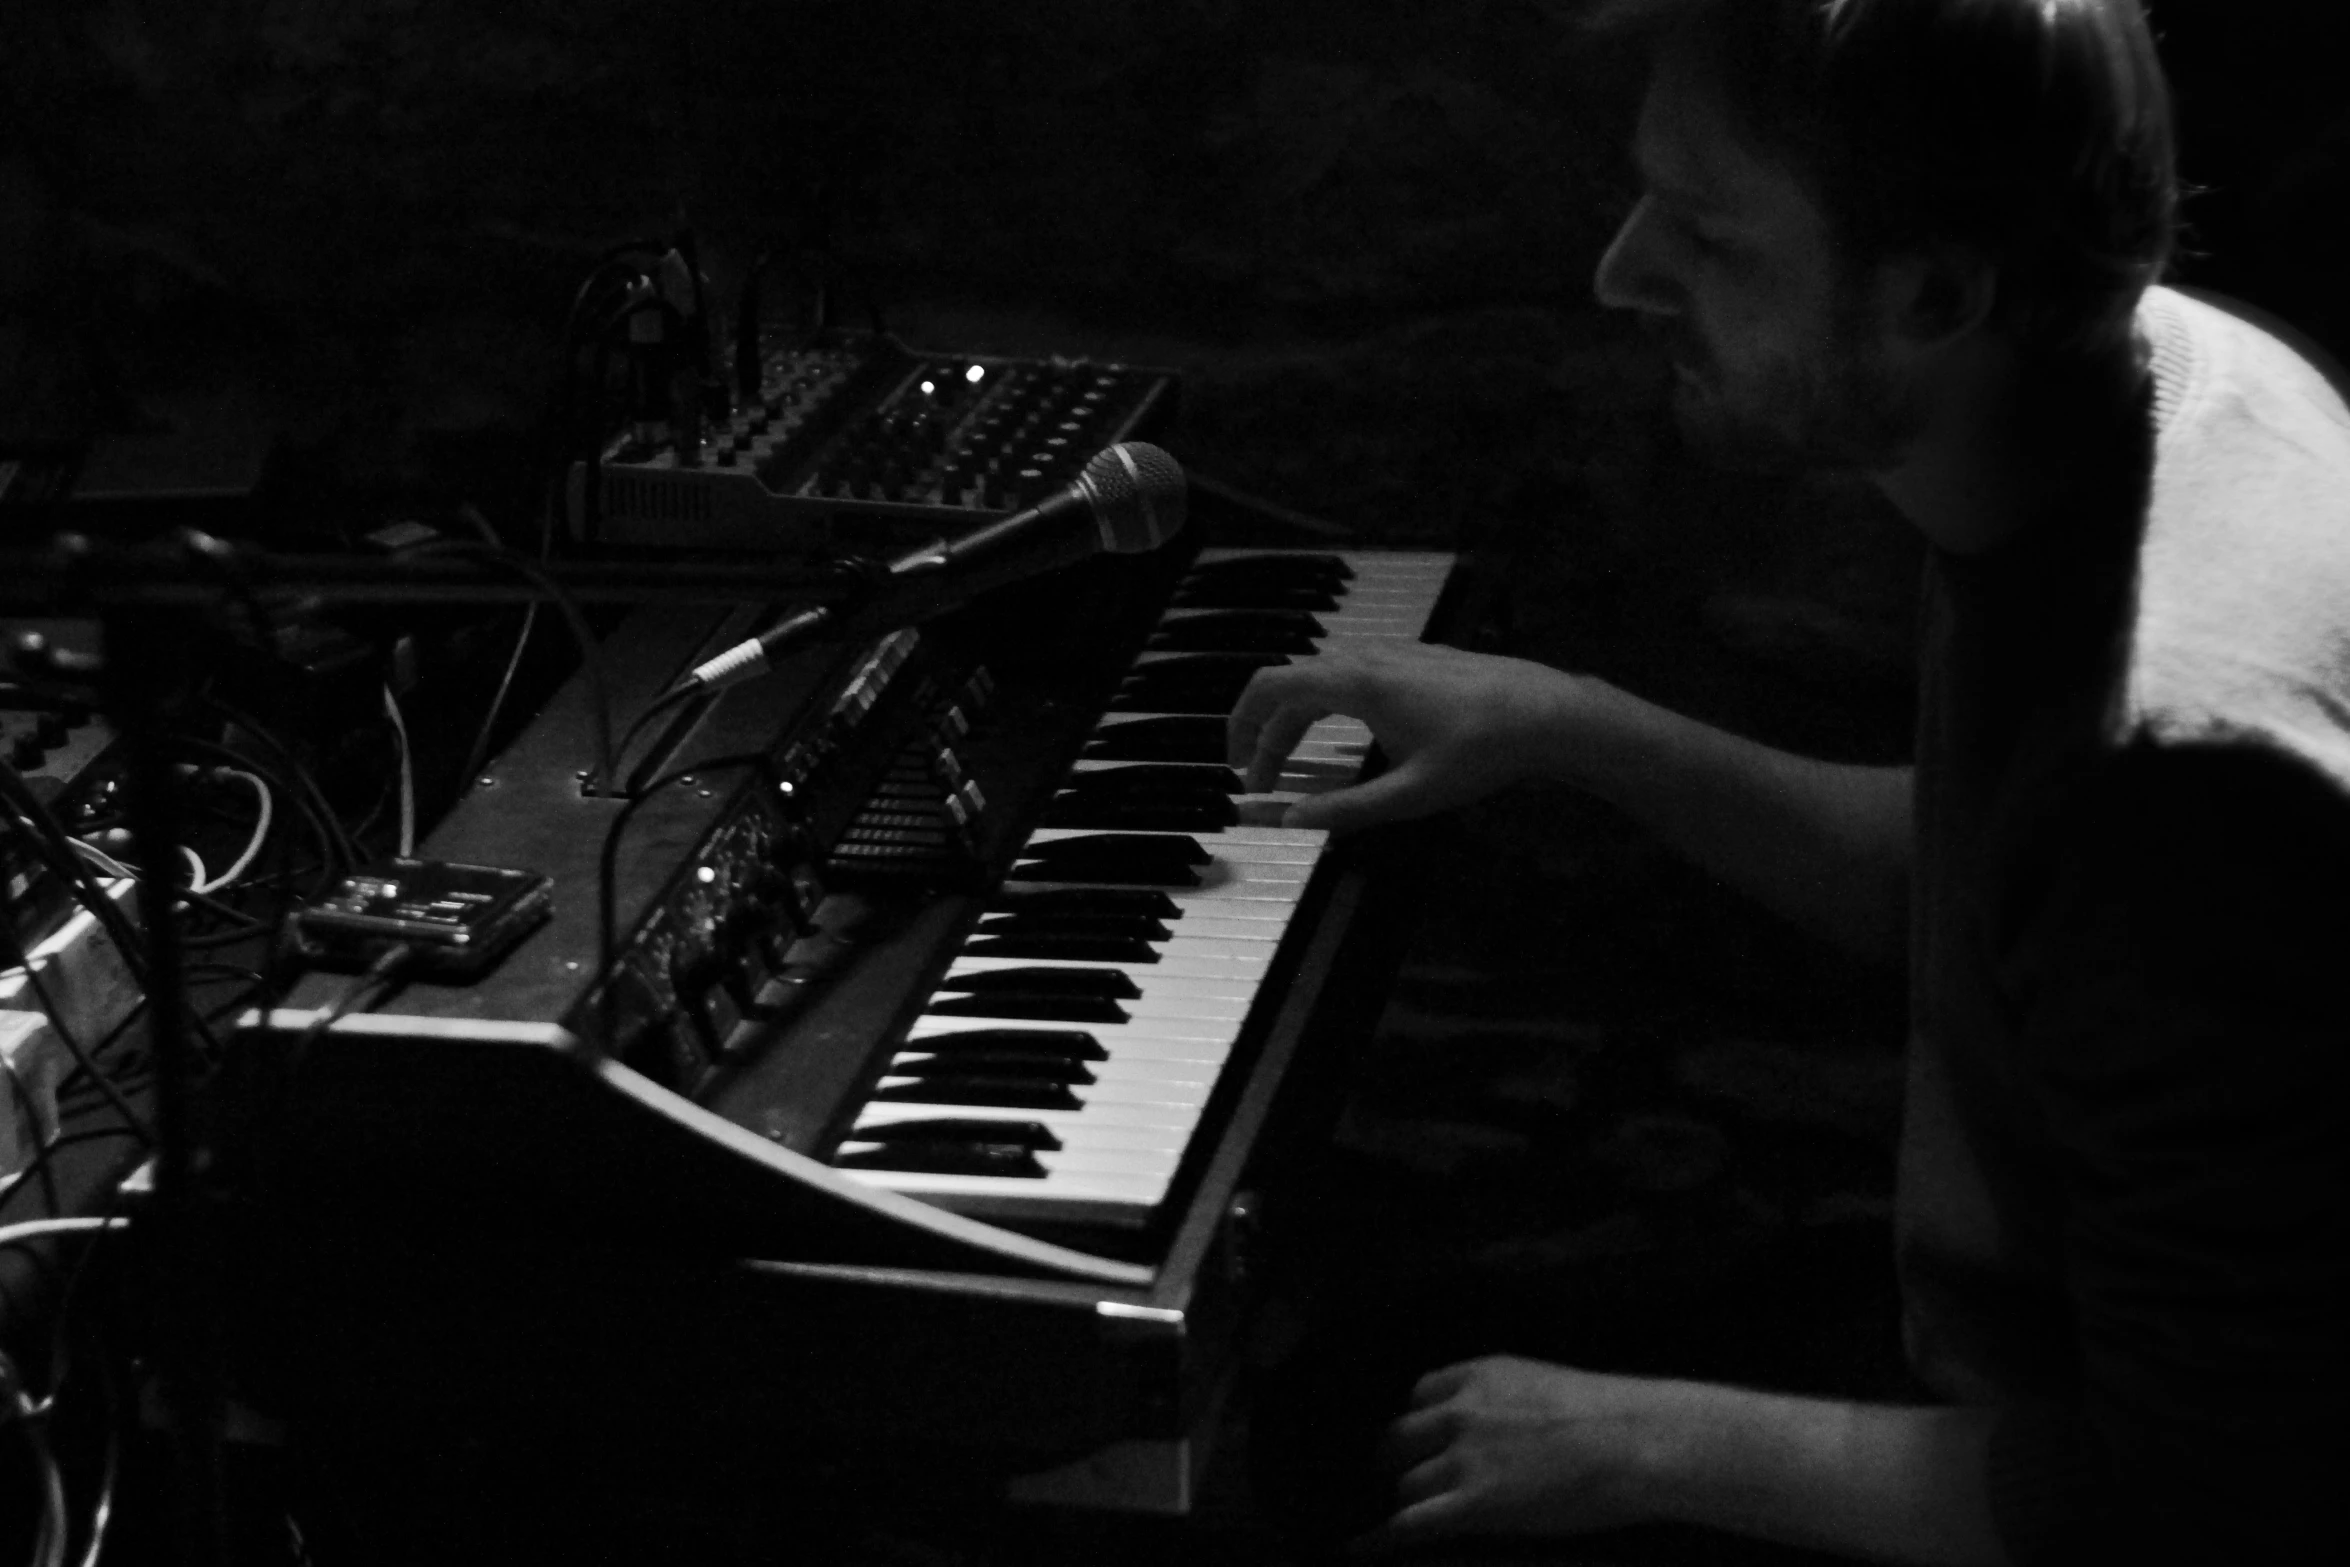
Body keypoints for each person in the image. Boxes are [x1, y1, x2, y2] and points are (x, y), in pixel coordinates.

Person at [1229, 1, 2350, 1562]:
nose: (1620, 271)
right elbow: (1984, 893)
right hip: (2026, 1382)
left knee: (1306, 1463)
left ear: (1931, 294)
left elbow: (2222, 1496)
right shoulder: (2156, 377)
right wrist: (1575, 723)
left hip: (2098, 1471)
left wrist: (1648, 1437)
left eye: (1702, 230)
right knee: (1340, 1374)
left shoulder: (2170, 775)